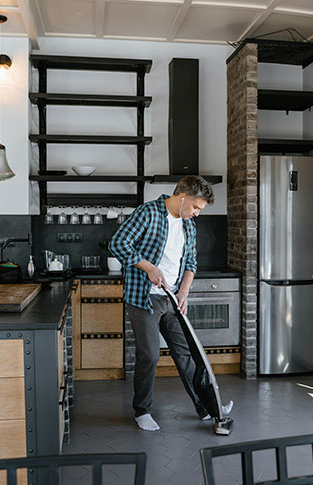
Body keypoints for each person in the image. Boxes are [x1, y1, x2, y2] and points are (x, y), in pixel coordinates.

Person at [109, 175, 233, 431]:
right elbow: (118, 243)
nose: (197, 214)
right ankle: (142, 411)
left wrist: (184, 292)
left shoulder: (188, 225)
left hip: (171, 298)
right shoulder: (149, 213)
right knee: (150, 355)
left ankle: (206, 407)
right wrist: (147, 267)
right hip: (144, 297)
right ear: (183, 197)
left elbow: (190, 263)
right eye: (196, 207)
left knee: (184, 353)